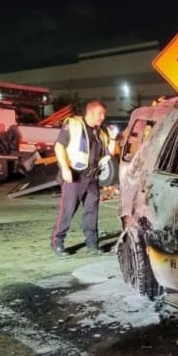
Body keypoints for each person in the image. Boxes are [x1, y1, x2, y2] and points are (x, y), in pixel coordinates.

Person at [50, 100, 109, 256]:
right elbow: (59, 146)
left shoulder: (101, 132)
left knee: (92, 212)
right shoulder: (73, 125)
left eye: (104, 114)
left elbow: (107, 153)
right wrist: (64, 168)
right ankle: (57, 242)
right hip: (75, 176)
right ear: (90, 112)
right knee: (67, 211)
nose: (102, 117)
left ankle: (92, 244)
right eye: (100, 114)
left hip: (92, 178)